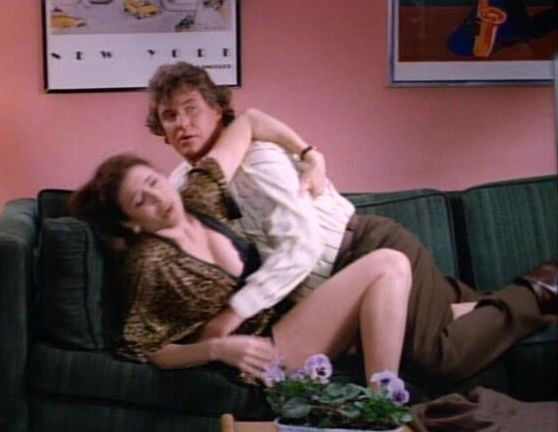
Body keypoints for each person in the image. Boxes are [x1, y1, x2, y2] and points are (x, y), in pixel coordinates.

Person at [145, 61, 557, 386]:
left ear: (218, 110)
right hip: (336, 283)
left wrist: (232, 315)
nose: (182, 123)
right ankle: (467, 303)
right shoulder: (184, 183)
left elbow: (302, 246)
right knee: (438, 320)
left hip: (365, 250)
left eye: (191, 109)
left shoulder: (258, 159)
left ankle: (538, 291)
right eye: (169, 116)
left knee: (435, 358)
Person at [69, 109, 412, 385]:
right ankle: (383, 410)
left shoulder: (198, 196)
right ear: (131, 223)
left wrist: (311, 156)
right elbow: (146, 347)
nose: (159, 198)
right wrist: (216, 349)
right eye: (141, 200)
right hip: (263, 352)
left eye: (154, 182)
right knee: (388, 265)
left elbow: (248, 122)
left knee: (402, 280)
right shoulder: (148, 261)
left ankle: (382, 409)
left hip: (292, 315)